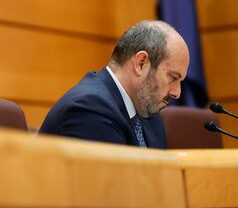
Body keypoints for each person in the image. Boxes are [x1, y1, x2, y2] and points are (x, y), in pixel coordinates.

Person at [39, 20, 190, 148]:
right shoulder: (90, 109)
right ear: (141, 63)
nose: (177, 93)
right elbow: (114, 183)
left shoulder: (149, 114)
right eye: (173, 77)